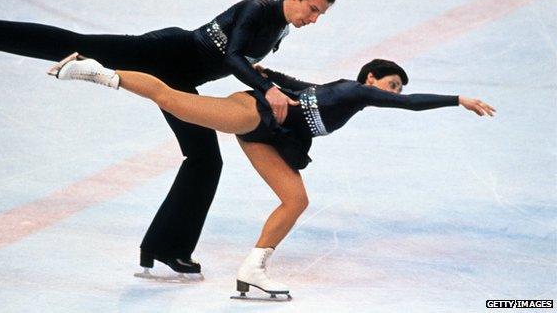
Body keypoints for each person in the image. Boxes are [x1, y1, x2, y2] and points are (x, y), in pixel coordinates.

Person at [0, 0, 338, 275]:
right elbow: (233, 57)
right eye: (313, 8)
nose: (315, 18)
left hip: (182, 78)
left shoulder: (280, 28)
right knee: (74, 43)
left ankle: (165, 247)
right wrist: (266, 88)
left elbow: (250, 64)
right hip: (164, 50)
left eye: (320, 13)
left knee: (205, 160)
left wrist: (293, 86)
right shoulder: (259, 9)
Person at [45, 54, 495, 299]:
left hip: (265, 136)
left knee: (295, 200)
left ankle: (253, 268)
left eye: (396, 88)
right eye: (391, 84)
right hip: (250, 114)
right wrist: (458, 99)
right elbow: (409, 105)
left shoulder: (339, 95)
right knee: (176, 100)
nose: (394, 93)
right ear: (371, 78)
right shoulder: (355, 90)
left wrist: (268, 72)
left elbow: (292, 83)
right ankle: (94, 72)